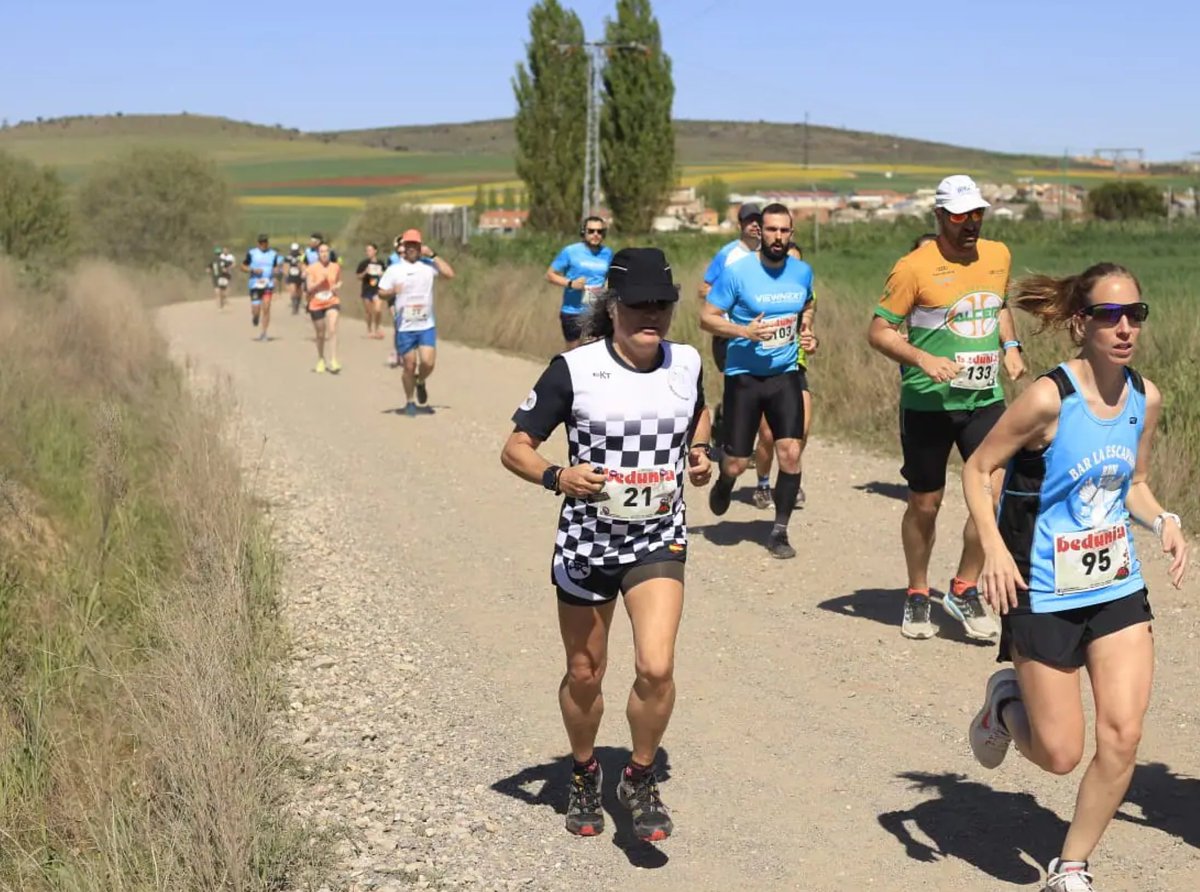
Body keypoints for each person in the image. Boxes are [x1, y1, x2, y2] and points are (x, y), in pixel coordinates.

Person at [962, 263, 1186, 892]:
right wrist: (993, 552)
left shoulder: (1147, 397)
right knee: (1059, 755)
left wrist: (1163, 518)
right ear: (1082, 323)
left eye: (1135, 315)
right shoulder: (1046, 399)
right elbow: (978, 471)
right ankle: (1004, 704)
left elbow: (1134, 484)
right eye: (1111, 315)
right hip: (1042, 591)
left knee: (1123, 733)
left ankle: (1073, 864)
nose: (1125, 328)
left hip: (1115, 586)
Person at [500, 247, 711, 843]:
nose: (652, 316)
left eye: (662, 306)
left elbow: (699, 412)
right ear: (613, 306)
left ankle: (639, 778)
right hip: (588, 542)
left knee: (657, 665)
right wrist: (557, 476)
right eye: (639, 304)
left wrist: (698, 455)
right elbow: (514, 447)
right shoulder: (575, 369)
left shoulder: (688, 362)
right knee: (586, 670)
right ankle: (586, 771)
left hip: (657, 538)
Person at [867, 174, 1026, 640]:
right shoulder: (912, 268)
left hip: (984, 400)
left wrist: (1011, 345)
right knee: (925, 502)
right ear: (939, 216)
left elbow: (997, 306)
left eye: (977, 214)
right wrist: (922, 358)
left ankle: (963, 587)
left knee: (993, 493)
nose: (970, 224)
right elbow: (878, 331)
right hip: (928, 403)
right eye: (960, 216)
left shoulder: (997, 255)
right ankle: (918, 593)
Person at [700, 203, 815, 559]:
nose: (777, 237)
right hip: (744, 377)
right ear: (759, 232)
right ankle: (726, 480)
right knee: (736, 461)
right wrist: (742, 330)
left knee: (791, 452)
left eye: (784, 231)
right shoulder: (738, 272)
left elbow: (807, 305)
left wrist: (808, 329)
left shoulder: (802, 272)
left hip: (784, 374)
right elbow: (707, 317)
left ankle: (779, 530)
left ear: (791, 234)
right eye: (771, 230)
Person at [748, 241, 818, 509]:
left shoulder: (805, 293)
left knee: (801, 431)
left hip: (794, 368)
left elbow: (808, 332)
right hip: (763, 368)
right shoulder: (756, 291)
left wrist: (812, 343)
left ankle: (789, 478)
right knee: (767, 433)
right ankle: (763, 483)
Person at [378, 229, 455, 416]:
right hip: (405, 326)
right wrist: (392, 292)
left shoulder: (428, 265)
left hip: (425, 324)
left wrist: (434, 255)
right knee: (409, 365)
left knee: (428, 362)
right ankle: (410, 401)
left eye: (415, 245)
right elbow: (381, 292)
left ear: (420, 247)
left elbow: (449, 274)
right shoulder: (394, 269)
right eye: (409, 244)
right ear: (403, 247)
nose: (412, 248)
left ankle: (420, 381)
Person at [545, 216, 614, 350]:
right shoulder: (570, 251)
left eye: (599, 232)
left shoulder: (608, 253)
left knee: (596, 351)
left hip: (596, 311)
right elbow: (549, 275)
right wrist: (571, 283)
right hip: (573, 311)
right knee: (574, 353)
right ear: (584, 232)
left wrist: (606, 290)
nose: (595, 235)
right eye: (591, 231)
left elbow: (610, 277)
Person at [305, 242, 342, 374]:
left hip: (332, 300)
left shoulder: (335, 267)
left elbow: (338, 281)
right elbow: (309, 288)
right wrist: (319, 282)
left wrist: (337, 286)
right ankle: (321, 359)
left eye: (326, 251)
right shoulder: (312, 268)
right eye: (321, 251)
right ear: (318, 254)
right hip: (316, 302)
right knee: (320, 334)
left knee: (332, 328)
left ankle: (333, 359)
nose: (324, 254)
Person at [241, 234, 280, 341]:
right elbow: (243, 266)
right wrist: (253, 270)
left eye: (265, 242)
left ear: (268, 243)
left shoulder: (273, 254)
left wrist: (276, 271)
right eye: (261, 243)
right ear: (258, 243)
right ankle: (255, 317)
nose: (263, 244)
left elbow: (276, 266)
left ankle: (264, 333)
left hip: (268, 284)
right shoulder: (252, 253)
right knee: (256, 309)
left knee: (266, 308)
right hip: (255, 284)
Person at [356, 243, 386, 339]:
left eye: (370, 250)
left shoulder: (381, 263)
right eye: (367, 250)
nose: (368, 252)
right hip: (367, 289)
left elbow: (386, 275)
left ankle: (377, 328)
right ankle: (369, 329)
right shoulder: (363, 263)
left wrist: (382, 274)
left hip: (377, 290)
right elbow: (358, 277)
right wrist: (365, 272)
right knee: (368, 312)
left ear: (375, 251)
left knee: (378, 310)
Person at [284, 242, 305, 315]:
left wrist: (302, 269)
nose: (294, 252)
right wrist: (286, 275)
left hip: (300, 275)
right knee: (293, 290)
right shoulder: (288, 257)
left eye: (296, 251)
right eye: (293, 250)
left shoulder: (302, 257)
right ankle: (294, 305)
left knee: (299, 291)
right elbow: (285, 267)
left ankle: (297, 304)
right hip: (291, 276)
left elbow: (303, 265)